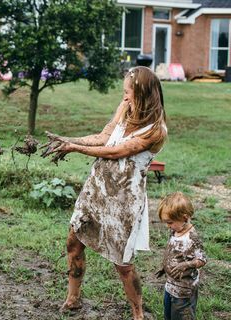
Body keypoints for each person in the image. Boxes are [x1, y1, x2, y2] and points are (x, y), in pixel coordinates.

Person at [42, 66, 167, 320]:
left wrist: (76, 148)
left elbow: (117, 151)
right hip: (97, 189)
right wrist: (68, 140)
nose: (124, 97)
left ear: (142, 93)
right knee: (74, 242)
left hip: (123, 200)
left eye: (127, 92)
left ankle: (138, 314)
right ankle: (73, 299)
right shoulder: (125, 110)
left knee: (123, 264)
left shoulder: (156, 129)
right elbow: (104, 138)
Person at [156, 192, 206, 320]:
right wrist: (164, 267)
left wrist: (186, 264)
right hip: (170, 286)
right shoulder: (174, 231)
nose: (168, 226)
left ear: (184, 217)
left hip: (184, 291)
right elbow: (171, 251)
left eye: (170, 222)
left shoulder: (192, 238)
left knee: (182, 316)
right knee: (168, 315)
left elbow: (202, 259)